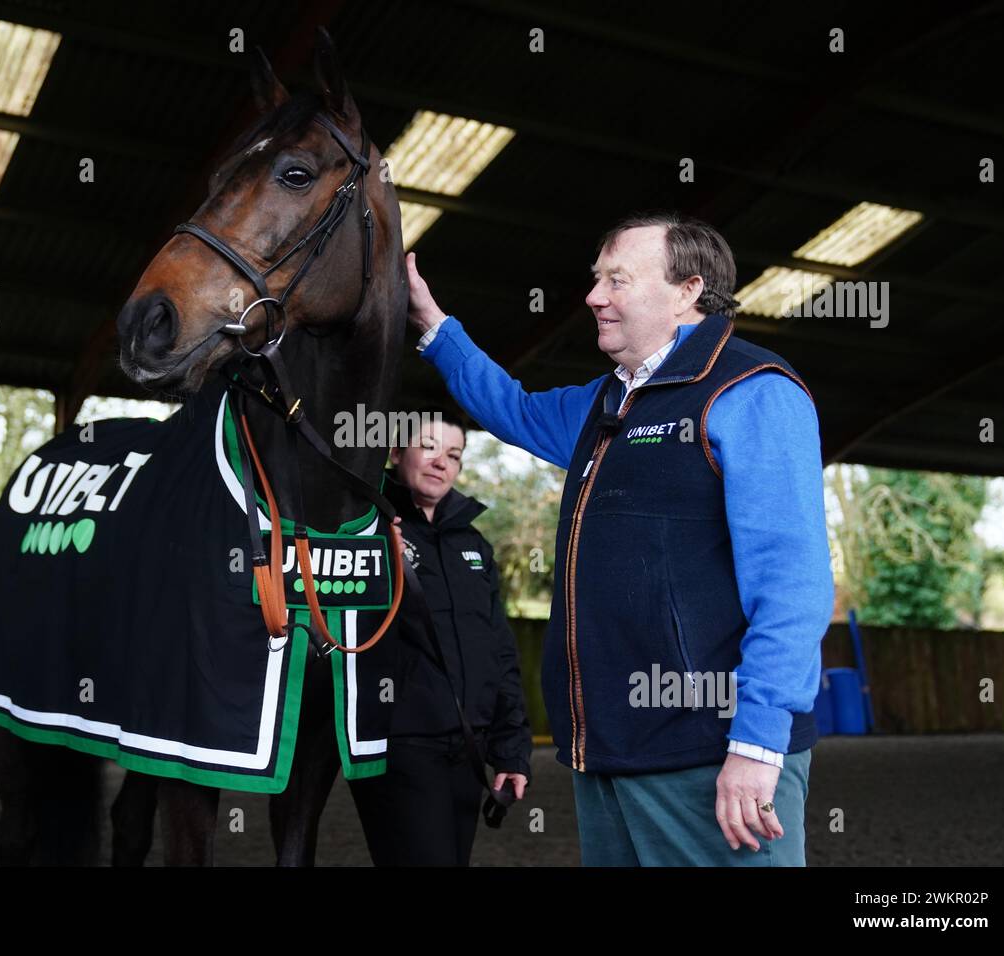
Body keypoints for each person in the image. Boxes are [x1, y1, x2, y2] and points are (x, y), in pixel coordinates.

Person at [405, 212, 833, 866]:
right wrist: (434, 324)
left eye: (616, 281)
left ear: (687, 291)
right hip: (605, 749)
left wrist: (757, 745)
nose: (593, 297)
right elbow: (512, 407)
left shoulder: (752, 393)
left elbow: (794, 586)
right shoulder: (605, 403)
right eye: (596, 280)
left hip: (710, 756)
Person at [349, 408, 532, 866]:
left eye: (453, 455)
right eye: (428, 447)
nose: (441, 462)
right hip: (401, 745)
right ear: (395, 453)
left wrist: (510, 752)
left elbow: (499, 651)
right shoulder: (361, 530)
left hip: (468, 747)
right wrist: (369, 536)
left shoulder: (474, 545)